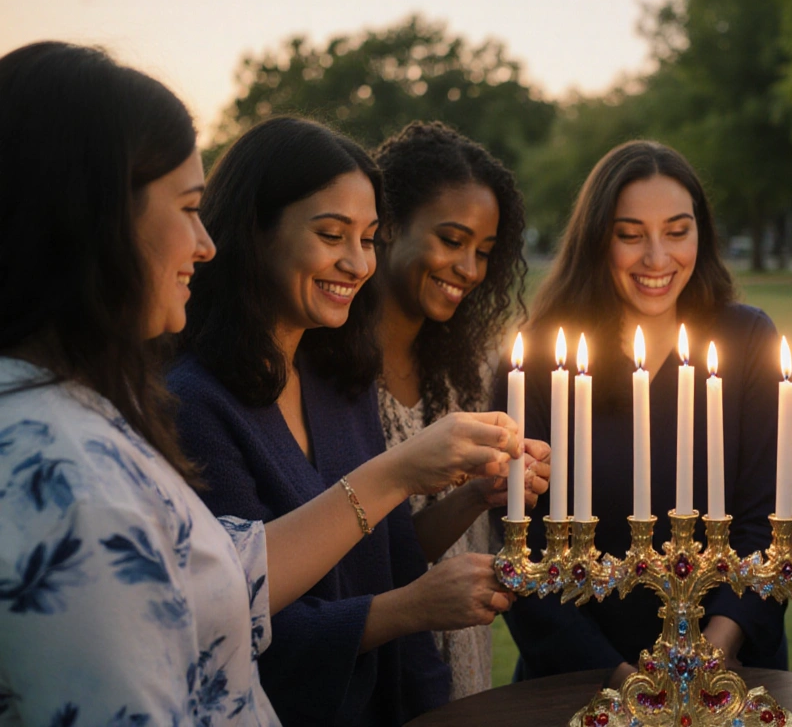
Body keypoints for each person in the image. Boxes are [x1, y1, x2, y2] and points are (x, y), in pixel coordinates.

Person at [0, 43, 519, 725]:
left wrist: (452, 491)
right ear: (95, 218)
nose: (202, 241)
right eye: (188, 208)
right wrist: (399, 489)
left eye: (368, 236)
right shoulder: (76, 474)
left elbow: (230, 577)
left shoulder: (93, 419)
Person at [169, 116, 547, 726]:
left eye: (368, 238)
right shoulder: (195, 404)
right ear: (255, 230)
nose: (356, 262)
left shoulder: (336, 381)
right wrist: (407, 608)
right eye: (331, 234)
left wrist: (476, 494)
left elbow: (384, 554)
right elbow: (234, 613)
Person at [496, 140, 787, 684]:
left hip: (727, 674)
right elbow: (526, 543)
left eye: (678, 231)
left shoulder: (747, 341)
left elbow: (763, 525)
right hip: (578, 682)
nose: (658, 257)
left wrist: (708, 656)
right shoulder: (539, 360)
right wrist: (623, 681)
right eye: (630, 235)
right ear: (597, 240)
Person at [372, 121, 532, 699]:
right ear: (387, 224)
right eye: (451, 239)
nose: (469, 268)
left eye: (484, 251)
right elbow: (371, 559)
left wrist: (495, 489)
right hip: (381, 675)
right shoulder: (337, 376)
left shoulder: (466, 372)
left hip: (463, 669)